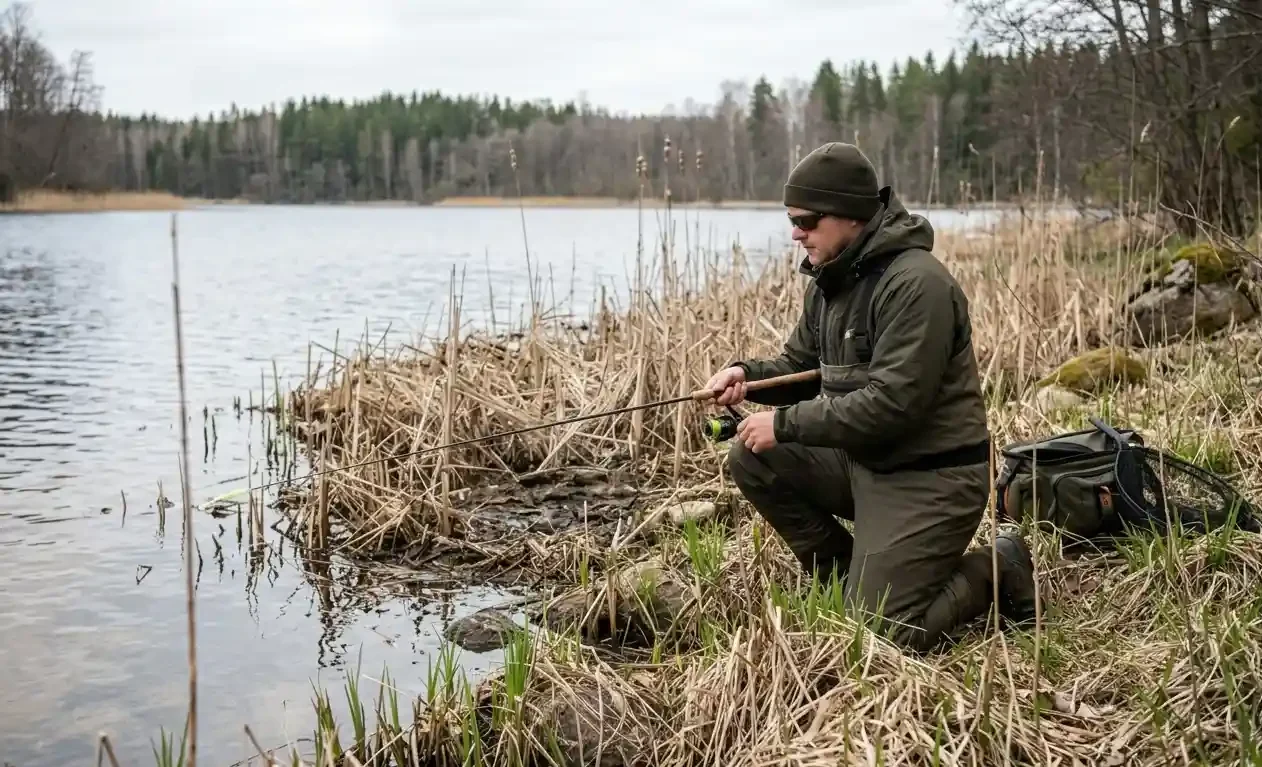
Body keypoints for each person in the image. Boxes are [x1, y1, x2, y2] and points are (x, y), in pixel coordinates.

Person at [705, 142, 1037, 652]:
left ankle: (996, 566)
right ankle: (850, 582)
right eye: (792, 220)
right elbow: (801, 369)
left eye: (807, 220)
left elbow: (892, 405)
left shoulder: (917, 285)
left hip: (931, 478)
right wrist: (745, 375)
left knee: (880, 638)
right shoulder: (828, 283)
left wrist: (788, 425)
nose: (796, 233)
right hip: (863, 462)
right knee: (751, 458)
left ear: (850, 215)